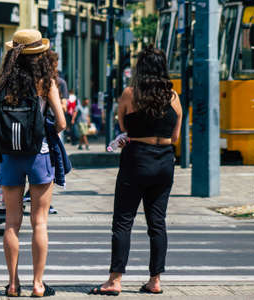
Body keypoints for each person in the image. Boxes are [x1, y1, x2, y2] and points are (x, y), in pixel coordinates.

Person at [89, 45, 182, 296]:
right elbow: (175, 137)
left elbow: (122, 124)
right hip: (164, 162)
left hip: (136, 160)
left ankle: (115, 280)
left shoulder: (130, 93)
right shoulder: (174, 97)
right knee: (157, 223)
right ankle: (155, 280)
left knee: (123, 221)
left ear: (141, 68)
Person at [0, 29, 66, 297]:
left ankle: (12, 284)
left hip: (10, 158)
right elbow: (62, 123)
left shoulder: (1, 84)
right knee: (40, 222)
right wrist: (42, 130)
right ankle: (37, 284)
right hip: (40, 156)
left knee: (12, 223)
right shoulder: (46, 83)